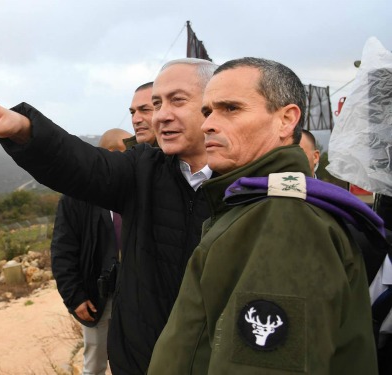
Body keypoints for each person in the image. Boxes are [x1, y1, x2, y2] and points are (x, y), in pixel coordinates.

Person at [0, 57, 218, 374]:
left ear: (213, 104)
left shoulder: (251, 182)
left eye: (177, 100)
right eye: (156, 104)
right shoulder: (142, 168)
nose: (161, 116)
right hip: (141, 361)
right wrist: (24, 129)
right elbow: (83, 165)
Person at [148, 57, 380, 374]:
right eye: (207, 111)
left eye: (230, 108)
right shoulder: (255, 205)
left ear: (286, 119)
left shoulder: (287, 221)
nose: (208, 125)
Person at [51, 128, 131, 375]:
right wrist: (74, 295)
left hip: (135, 295)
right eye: (128, 152)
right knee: (95, 360)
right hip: (98, 297)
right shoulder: (76, 197)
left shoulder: (138, 190)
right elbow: (63, 249)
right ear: (109, 154)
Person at [123, 82, 156, 149]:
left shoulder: (181, 156)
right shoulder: (128, 155)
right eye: (132, 112)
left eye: (145, 110)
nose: (135, 120)